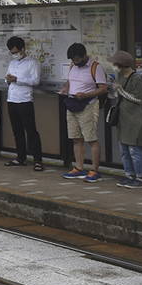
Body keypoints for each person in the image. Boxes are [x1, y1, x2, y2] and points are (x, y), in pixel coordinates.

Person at [60, 43, 108, 182]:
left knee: (91, 139)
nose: (74, 62)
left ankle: (95, 170)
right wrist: (65, 89)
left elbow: (103, 88)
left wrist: (86, 95)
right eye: (72, 60)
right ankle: (79, 167)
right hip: (72, 103)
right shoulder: (72, 66)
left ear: (84, 56)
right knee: (76, 138)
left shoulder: (95, 67)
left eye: (76, 59)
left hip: (88, 104)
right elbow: (70, 82)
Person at [109, 51, 142, 189]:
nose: (114, 66)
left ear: (121, 65)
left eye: (115, 64)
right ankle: (129, 175)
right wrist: (115, 90)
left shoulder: (136, 78)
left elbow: (140, 99)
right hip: (123, 117)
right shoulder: (119, 76)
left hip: (135, 119)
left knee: (134, 149)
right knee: (124, 149)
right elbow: (116, 95)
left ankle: (140, 177)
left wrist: (120, 90)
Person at [3, 36, 43, 171]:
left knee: (31, 131)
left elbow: (35, 81)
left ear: (23, 49)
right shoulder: (12, 63)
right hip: (11, 99)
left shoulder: (33, 63)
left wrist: (17, 79)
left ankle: (38, 160)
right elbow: (7, 78)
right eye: (12, 52)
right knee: (17, 131)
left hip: (25, 100)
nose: (14, 55)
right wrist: (8, 79)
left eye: (16, 52)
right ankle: (21, 157)